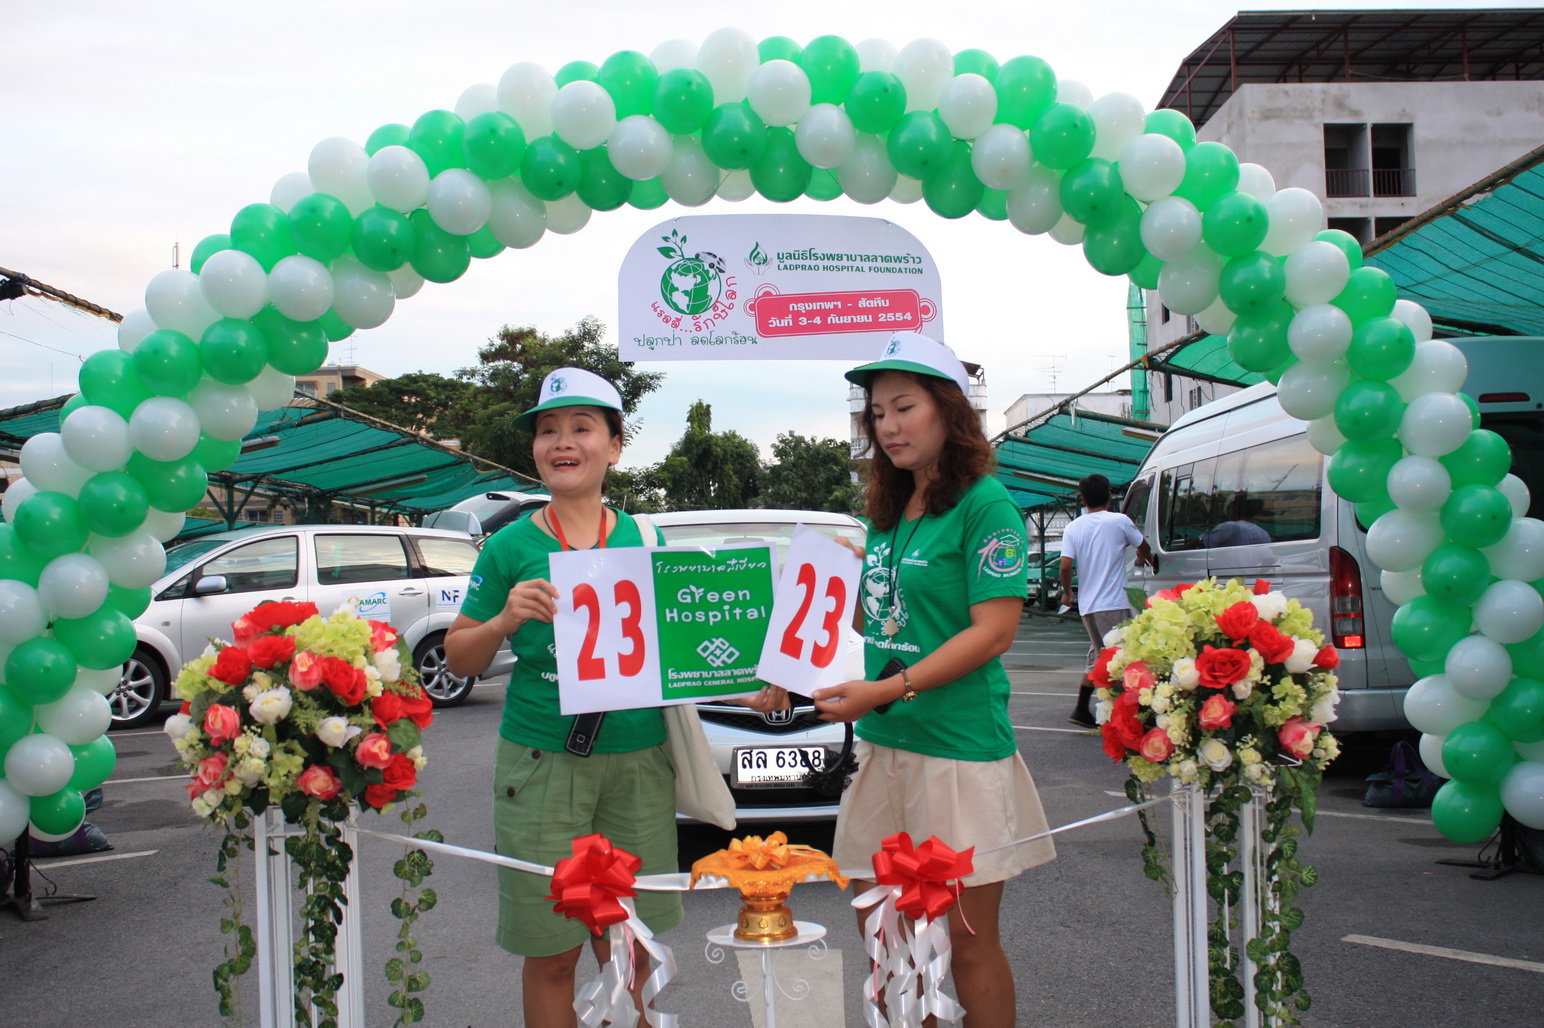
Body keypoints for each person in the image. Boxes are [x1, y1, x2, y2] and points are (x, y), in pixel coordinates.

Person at [443, 368, 779, 1027]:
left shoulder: (648, 542)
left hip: (639, 764)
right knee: (553, 954)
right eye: (547, 430)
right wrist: (503, 620)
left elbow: (681, 655)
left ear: (615, 447)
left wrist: (752, 689)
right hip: (540, 764)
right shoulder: (509, 546)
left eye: (581, 428)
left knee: (631, 946)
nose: (562, 442)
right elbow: (461, 657)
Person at [812, 332, 1056, 1028]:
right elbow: (876, 621)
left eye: (904, 407)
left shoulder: (986, 504)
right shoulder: (887, 512)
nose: (888, 426)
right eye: (877, 413)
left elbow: (993, 631)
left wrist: (888, 690)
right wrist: (824, 589)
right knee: (885, 932)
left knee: (965, 943)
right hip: (884, 747)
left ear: (949, 411)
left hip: (958, 752)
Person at [1060, 473, 1155, 728]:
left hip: (1088, 607)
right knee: (1124, 658)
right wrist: (1144, 556)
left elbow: (1065, 565)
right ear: (1109, 496)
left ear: (1083, 499)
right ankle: (1135, 715)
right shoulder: (1119, 521)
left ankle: (1081, 709)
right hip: (1112, 604)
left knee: (1100, 657)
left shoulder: (1073, 527)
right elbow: (1144, 546)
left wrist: (1068, 593)